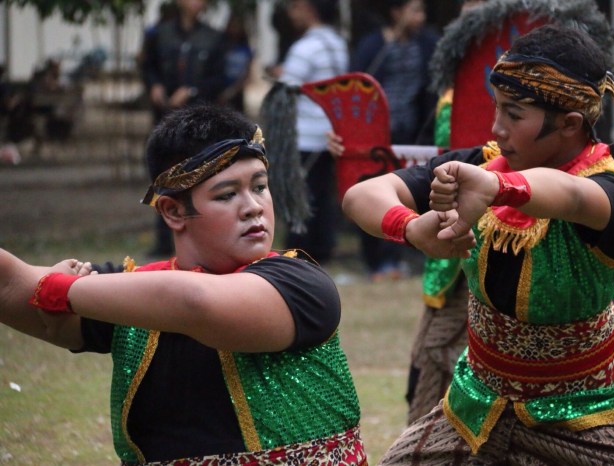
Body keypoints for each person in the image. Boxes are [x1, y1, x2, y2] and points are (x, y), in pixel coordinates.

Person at [343, 24, 614, 465]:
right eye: (497, 108)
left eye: (515, 114)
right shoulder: (475, 167)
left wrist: (498, 187)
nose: (497, 127)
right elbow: (361, 196)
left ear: (570, 123)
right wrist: (411, 228)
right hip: (476, 407)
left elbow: (571, 195)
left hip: (589, 414)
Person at [0, 104, 367, 465]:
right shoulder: (127, 294)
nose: (253, 206)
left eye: (260, 186)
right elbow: (9, 286)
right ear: (173, 212)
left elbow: (194, 302)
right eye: (227, 194)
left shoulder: (301, 283)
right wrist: (59, 291)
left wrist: (61, 291)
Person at [350, 0, 439, 281]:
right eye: (414, 11)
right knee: (373, 191)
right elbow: (355, 85)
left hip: (411, 131)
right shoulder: (373, 46)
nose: (421, 17)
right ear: (396, 12)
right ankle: (377, 261)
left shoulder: (427, 44)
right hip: (376, 134)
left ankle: (402, 256)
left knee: (405, 193)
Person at [140, 0, 225, 258]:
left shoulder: (213, 38)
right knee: (163, 177)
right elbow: (147, 66)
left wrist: (191, 92)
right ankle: (164, 241)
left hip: (197, 122)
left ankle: (198, 238)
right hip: (164, 119)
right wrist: (154, 85)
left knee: (196, 177)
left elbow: (219, 79)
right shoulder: (159, 33)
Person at [267, 0, 348, 265]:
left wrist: (278, 75)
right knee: (322, 195)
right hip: (329, 133)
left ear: (307, 7)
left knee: (300, 195)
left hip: (305, 134)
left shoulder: (305, 47)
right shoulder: (337, 42)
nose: (292, 13)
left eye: (294, 7)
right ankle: (322, 249)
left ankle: (299, 251)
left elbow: (286, 89)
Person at [217, 12, 253, 114]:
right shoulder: (221, 46)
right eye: (233, 25)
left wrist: (234, 90)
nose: (235, 29)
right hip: (221, 90)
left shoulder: (245, 48)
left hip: (237, 91)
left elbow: (248, 72)